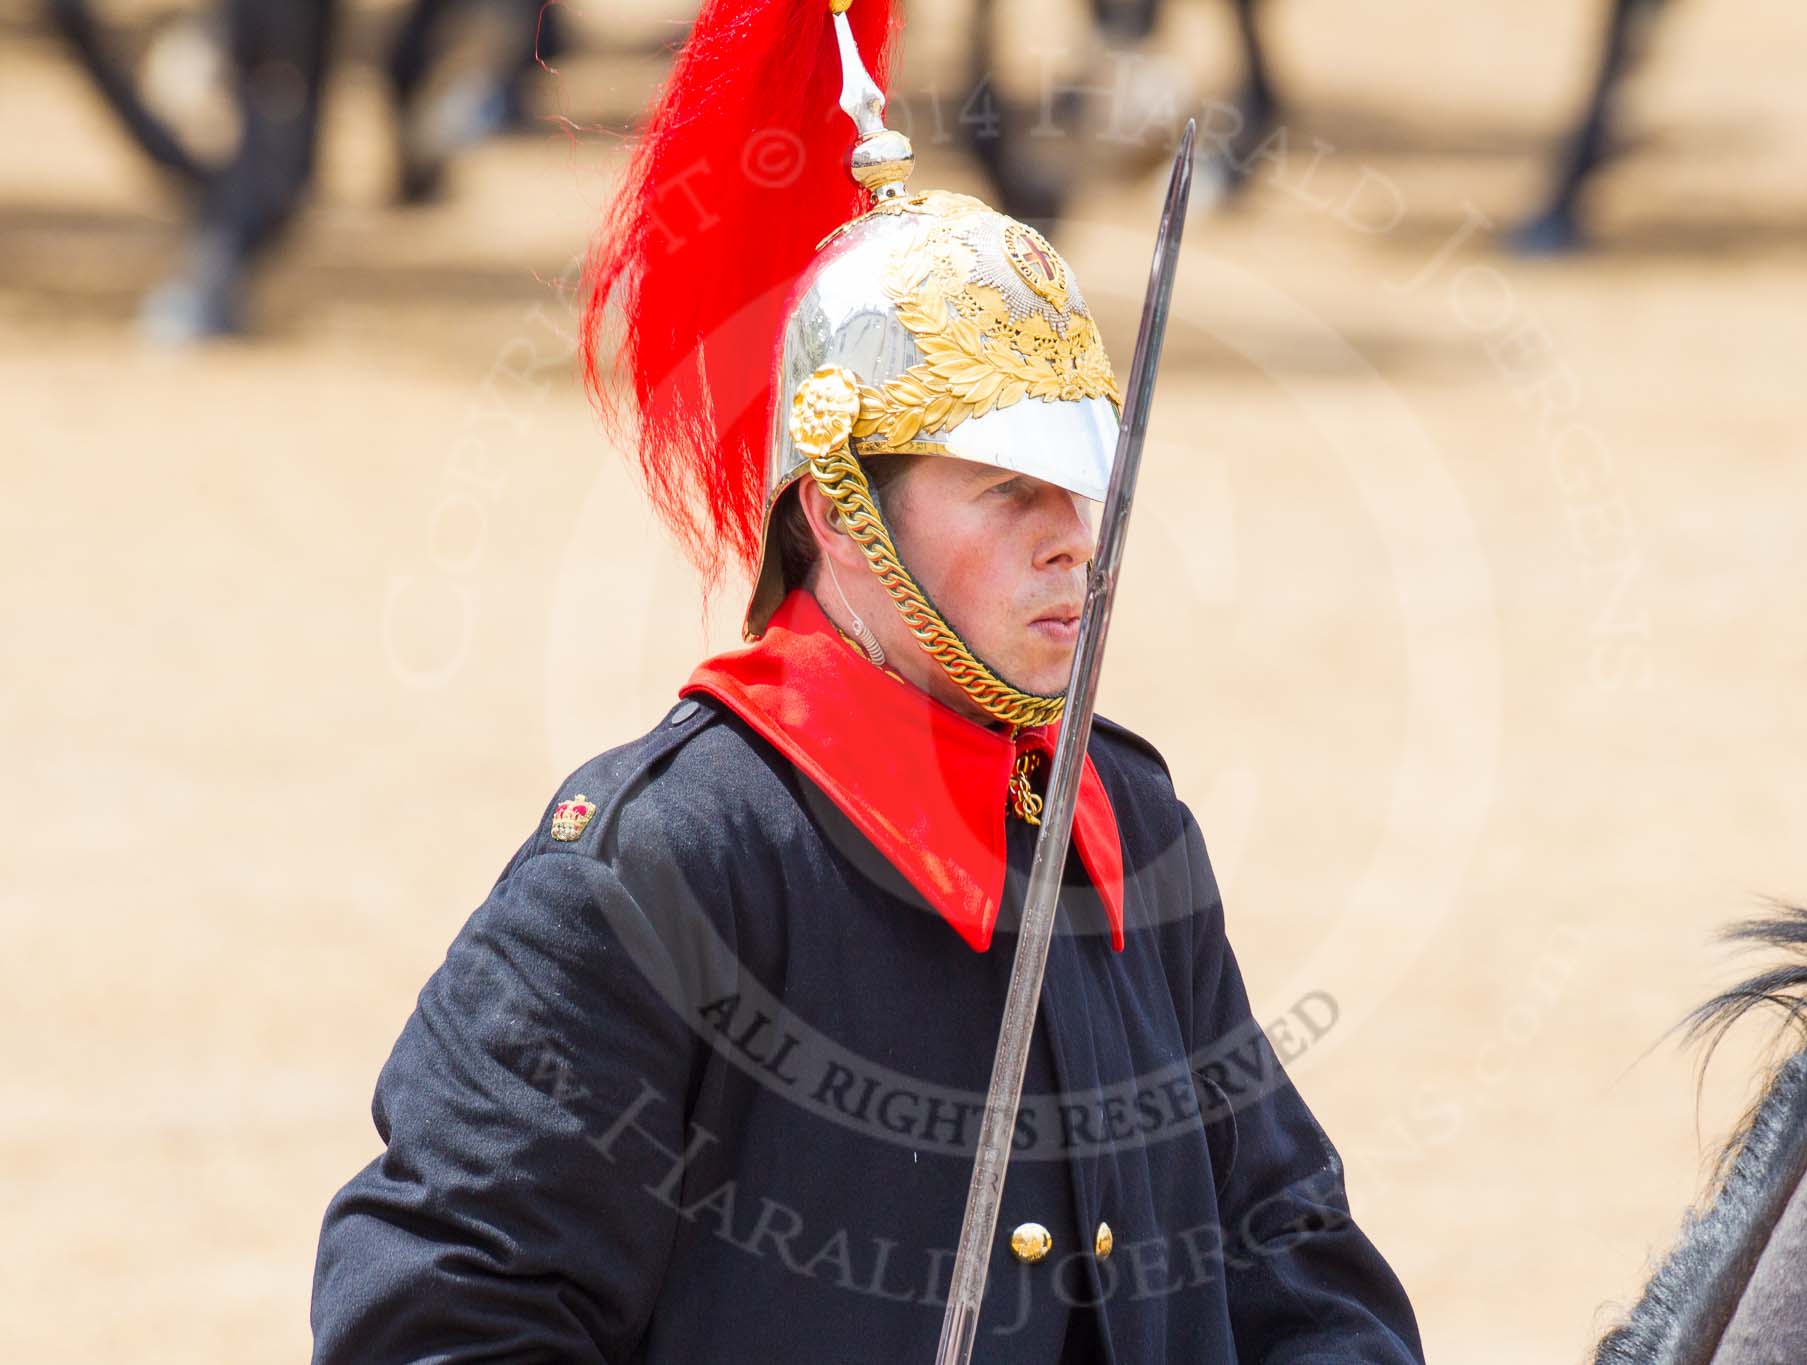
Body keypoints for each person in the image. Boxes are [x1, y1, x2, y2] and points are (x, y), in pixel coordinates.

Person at [309, 1, 1425, 1359]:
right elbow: (437, 1315)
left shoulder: (1125, 820)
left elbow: (1299, 1275)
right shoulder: (664, 861)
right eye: (1008, 488)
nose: (1072, 533)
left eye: (1080, 482)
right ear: (840, 513)